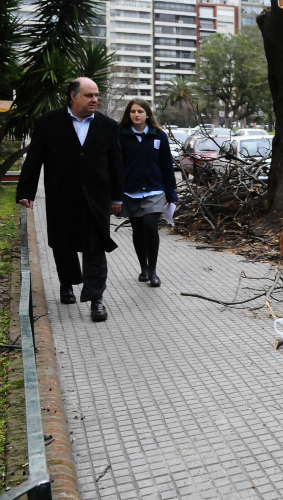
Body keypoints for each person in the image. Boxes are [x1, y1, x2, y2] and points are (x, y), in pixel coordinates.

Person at [17, 78, 124, 322]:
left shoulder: (108, 126)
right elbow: (34, 159)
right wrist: (26, 192)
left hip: (96, 199)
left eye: (96, 95)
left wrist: (117, 197)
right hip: (61, 196)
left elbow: (116, 164)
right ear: (73, 96)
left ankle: (96, 299)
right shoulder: (48, 123)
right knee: (63, 245)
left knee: (95, 248)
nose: (95, 100)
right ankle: (67, 282)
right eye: (88, 95)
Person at [118, 99, 177, 287]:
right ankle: (143, 267)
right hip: (130, 192)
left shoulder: (159, 136)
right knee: (137, 230)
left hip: (155, 191)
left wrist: (171, 194)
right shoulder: (121, 135)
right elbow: (116, 166)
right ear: (129, 114)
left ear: (147, 114)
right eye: (133, 111)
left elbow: (167, 166)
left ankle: (153, 271)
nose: (137, 115)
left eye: (140, 111)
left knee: (150, 227)